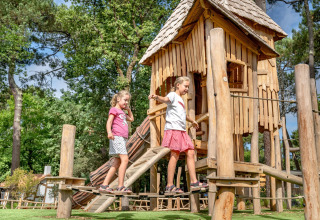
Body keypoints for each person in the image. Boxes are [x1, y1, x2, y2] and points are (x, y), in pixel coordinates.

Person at [148, 76, 208, 193]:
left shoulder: (180, 100)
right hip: (173, 129)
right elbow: (165, 99)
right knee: (174, 154)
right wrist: (156, 97)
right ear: (178, 85)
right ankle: (169, 185)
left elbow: (182, 114)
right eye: (185, 86)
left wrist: (192, 121)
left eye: (188, 87)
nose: (187, 89)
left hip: (182, 130)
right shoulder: (173, 95)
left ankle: (194, 182)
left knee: (190, 151)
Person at [99, 90, 134, 193]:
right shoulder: (114, 109)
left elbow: (131, 119)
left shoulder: (123, 112)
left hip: (122, 139)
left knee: (117, 162)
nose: (126, 103)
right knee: (125, 159)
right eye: (125, 100)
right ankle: (120, 186)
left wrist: (128, 110)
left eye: (128, 101)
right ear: (118, 99)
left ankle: (104, 185)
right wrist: (109, 132)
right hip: (117, 137)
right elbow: (109, 121)